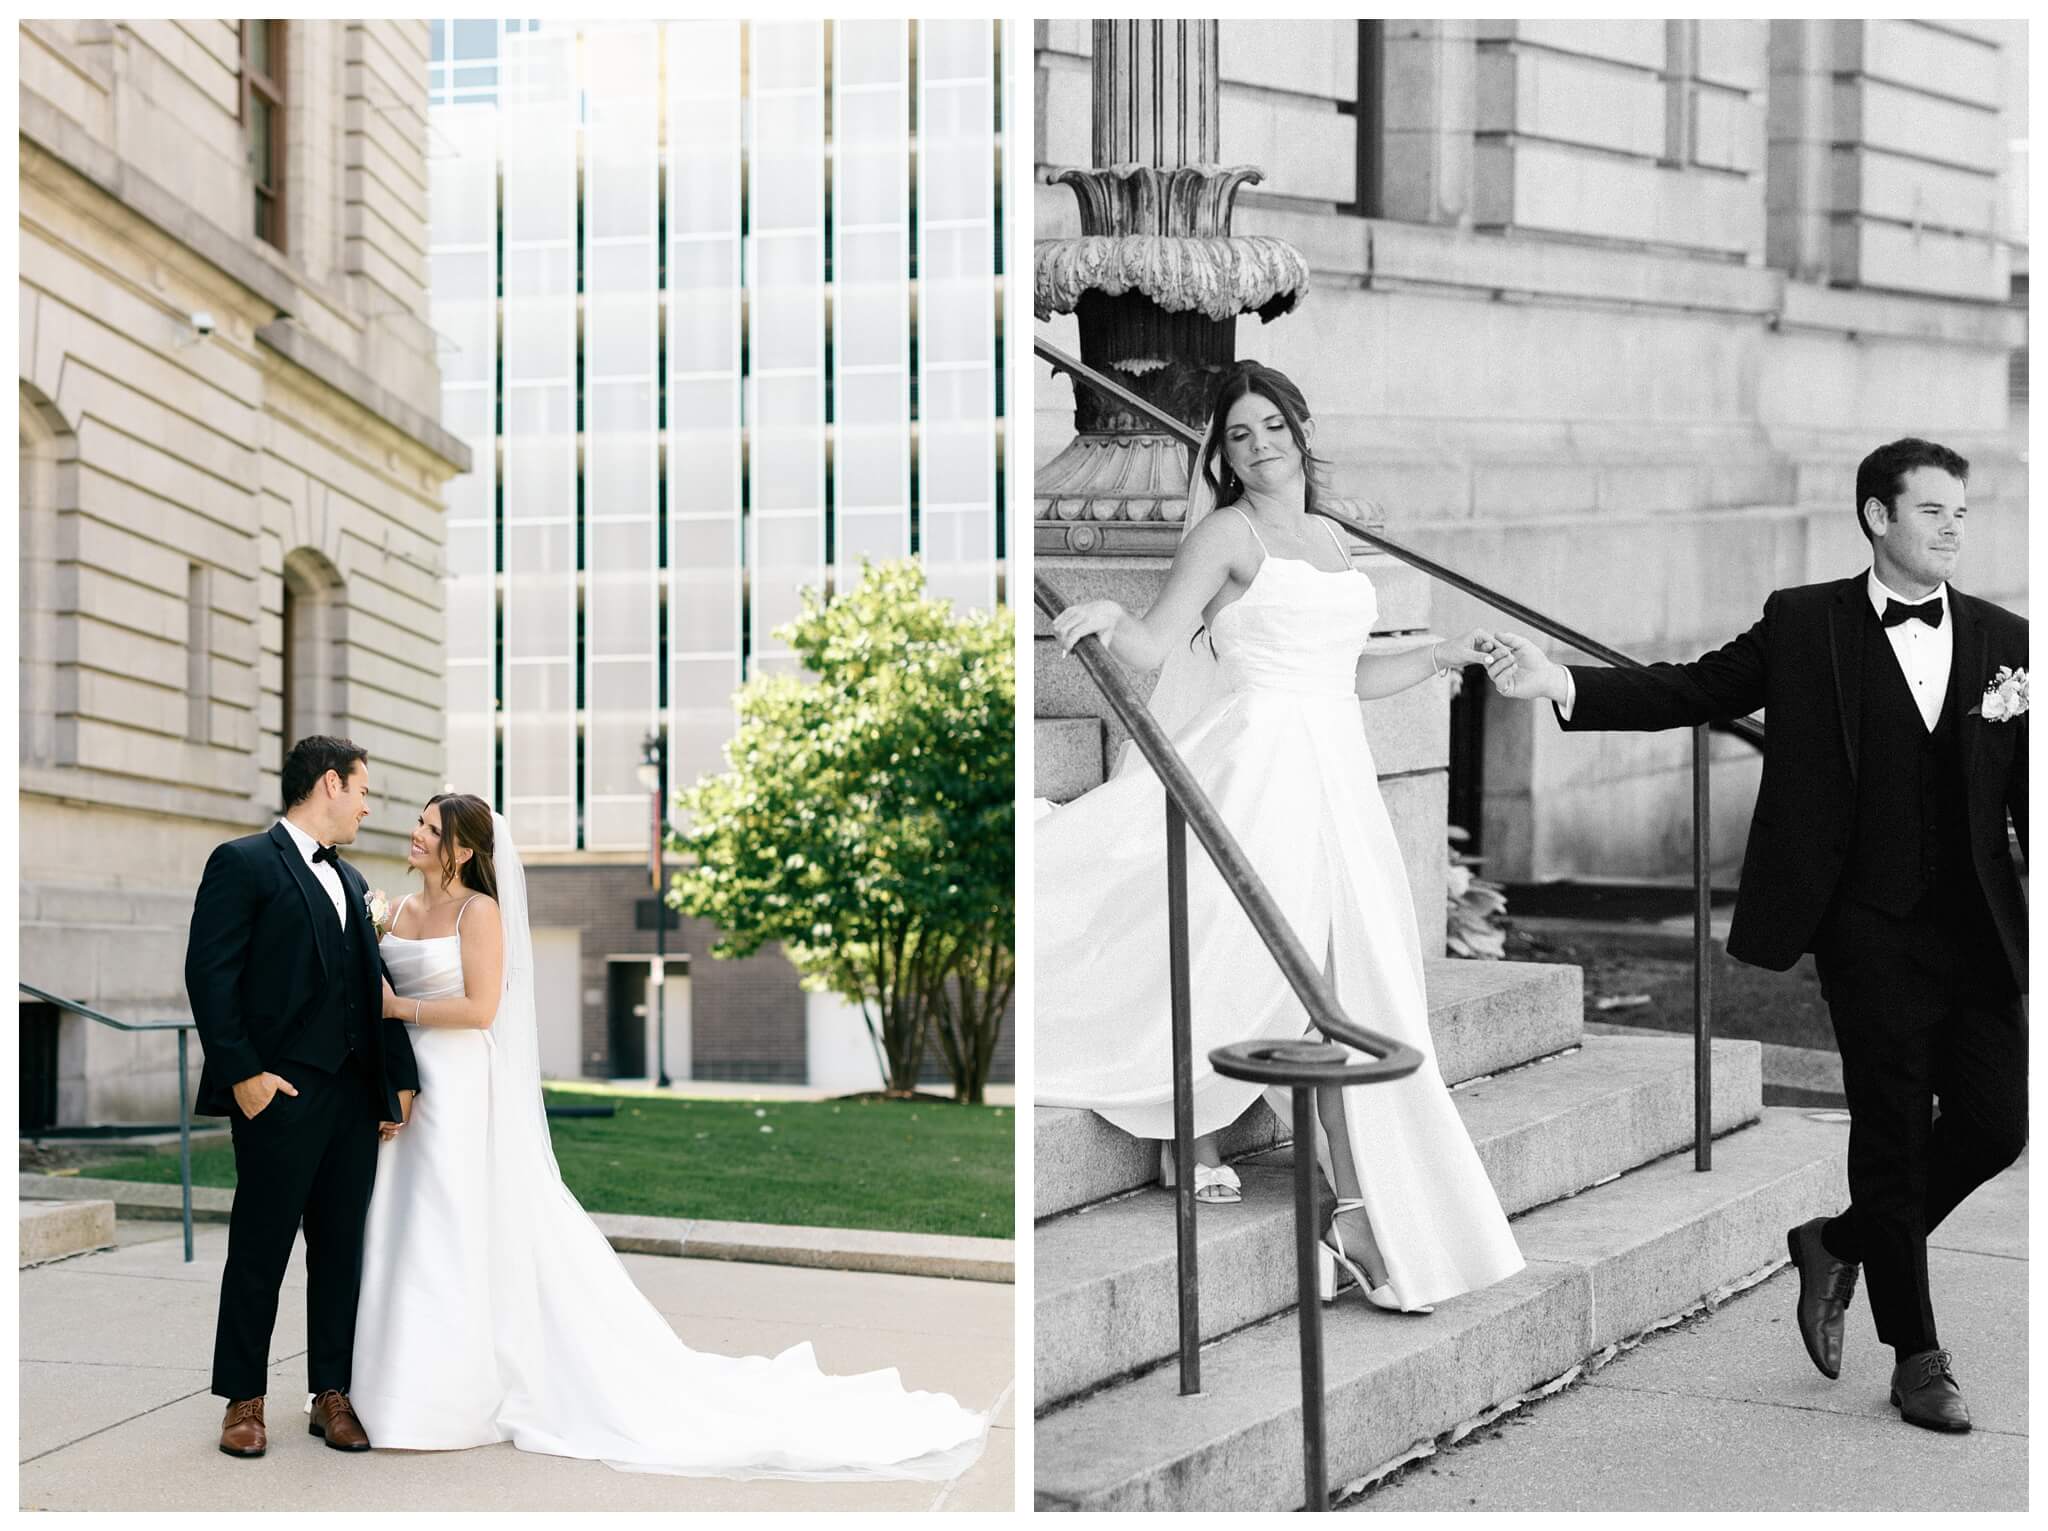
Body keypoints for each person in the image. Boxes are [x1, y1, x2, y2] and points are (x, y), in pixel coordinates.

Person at [1482, 436, 2027, 1433]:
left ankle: (1836, 1239)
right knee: (1893, 1134)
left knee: (1998, 1125)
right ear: (1875, 515)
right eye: (1932, 510)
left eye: (1960, 511)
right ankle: (1917, 1361)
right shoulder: (1801, 622)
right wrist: (1558, 683)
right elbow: (1689, 691)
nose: (1952, 527)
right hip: (1861, 926)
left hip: (1976, 928)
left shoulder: (2005, 639)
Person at [1037, 360, 1524, 1313]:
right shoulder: (1228, 532)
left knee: (1356, 993)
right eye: (1238, 435)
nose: (1257, 447)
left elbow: (1344, 676)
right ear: (1220, 451)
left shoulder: (1334, 538)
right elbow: (1154, 644)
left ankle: (1351, 1207)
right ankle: (1329, 1200)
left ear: (1301, 430)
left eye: (1272, 427)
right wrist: (1102, 615)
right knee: (1301, 980)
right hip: (1261, 772)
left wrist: (1439, 653)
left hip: (1337, 777)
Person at [348, 793, 987, 1478]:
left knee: (452, 1226)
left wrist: (398, 1004)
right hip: (406, 1080)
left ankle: (450, 1395)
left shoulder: (480, 912)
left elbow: (481, 1007)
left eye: (429, 828)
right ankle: (387, 1384)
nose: (414, 833)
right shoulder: (396, 910)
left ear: (464, 849)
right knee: (402, 1224)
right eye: (418, 822)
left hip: (463, 1085)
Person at [184, 735, 422, 1458]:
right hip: (278, 1094)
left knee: (341, 1251)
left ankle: (331, 1394)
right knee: (259, 1248)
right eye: (361, 788)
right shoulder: (243, 863)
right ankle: (243, 1399)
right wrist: (245, 1076)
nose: (367, 803)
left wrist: (394, 1083)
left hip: (352, 1102)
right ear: (329, 784)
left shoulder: (351, 883)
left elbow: (374, 990)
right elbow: (209, 975)